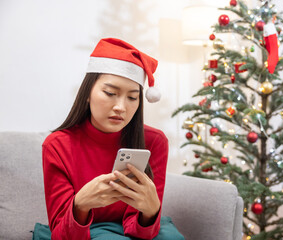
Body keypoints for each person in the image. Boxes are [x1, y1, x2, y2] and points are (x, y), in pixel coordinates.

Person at [38, 38, 184, 240]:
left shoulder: (155, 141)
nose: (121, 107)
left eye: (132, 97)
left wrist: (150, 212)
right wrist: (81, 204)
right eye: (110, 93)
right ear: (87, 93)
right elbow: (63, 234)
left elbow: (144, 232)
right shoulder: (57, 145)